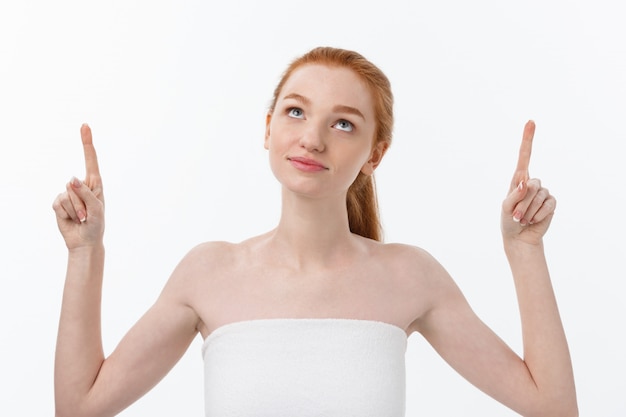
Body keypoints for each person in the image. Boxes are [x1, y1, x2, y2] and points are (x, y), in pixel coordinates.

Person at [52, 47, 578, 417]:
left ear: (375, 155)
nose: (312, 138)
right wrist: (84, 253)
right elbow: (80, 407)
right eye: (296, 111)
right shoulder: (207, 273)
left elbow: (551, 406)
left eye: (343, 123)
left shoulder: (410, 277)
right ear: (268, 129)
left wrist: (525, 250)